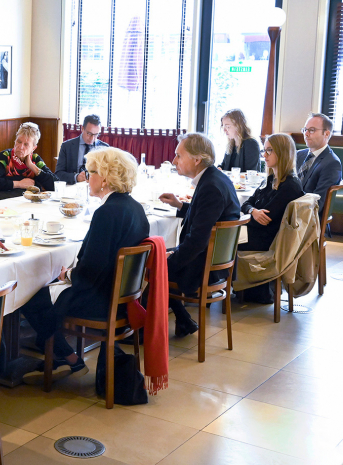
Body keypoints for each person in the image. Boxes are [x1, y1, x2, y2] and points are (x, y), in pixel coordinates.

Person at [20, 148, 149, 381]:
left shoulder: (107, 213)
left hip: (99, 300)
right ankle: (66, 357)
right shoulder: (135, 208)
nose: (87, 178)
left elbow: (90, 271)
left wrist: (67, 275)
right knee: (45, 288)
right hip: (122, 297)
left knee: (26, 294)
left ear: (106, 178)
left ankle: (65, 356)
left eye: (90, 173)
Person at [159, 133, 240, 337]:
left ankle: (144, 329)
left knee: (152, 262)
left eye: (179, 156)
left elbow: (197, 242)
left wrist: (171, 259)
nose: (174, 160)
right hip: (215, 259)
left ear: (197, 159)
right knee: (159, 256)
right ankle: (183, 320)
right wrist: (180, 205)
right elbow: (208, 217)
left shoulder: (211, 187)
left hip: (206, 265)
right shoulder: (214, 178)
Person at [238, 133, 303, 303]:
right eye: (264, 150)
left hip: (268, 239)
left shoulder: (290, 185)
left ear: (282, 153)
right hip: (256, 231)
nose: (264, 155)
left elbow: (265, 220)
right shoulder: (270, 178)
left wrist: (250, 214)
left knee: (219, 238)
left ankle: (209, 286)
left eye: (269, 151)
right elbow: (246, 203)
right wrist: (252, 211)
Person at [0, 122, 59, 201]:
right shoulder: (6, 156)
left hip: (26, 203)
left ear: (33, 148)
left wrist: (32, 166)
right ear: (15, 141)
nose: (21, 147)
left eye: (26, 144)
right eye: (19, 141)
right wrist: (19, 184)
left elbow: (56, 185)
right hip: (3, 203)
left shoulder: (35, 160)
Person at [296, 113, 342, 236]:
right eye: (305, 130)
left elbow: (317, 204)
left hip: (307, 221)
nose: (306, 134)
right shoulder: (299, 155)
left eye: (311, 130)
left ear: (326, 134)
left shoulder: (332, 163)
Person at [55, 114, 110, 184]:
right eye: (89, 134)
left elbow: (109, 175)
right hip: (72, 188)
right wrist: (76, 177)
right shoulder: (67, 146)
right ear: (82, 129)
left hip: (96, 190)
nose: (92, 138)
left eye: (96, 134)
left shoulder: (105, 148)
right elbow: (58, 174)